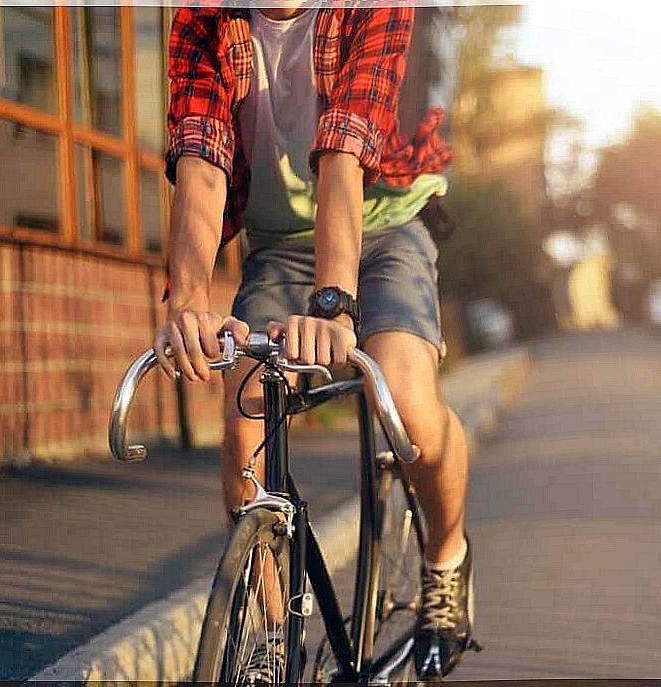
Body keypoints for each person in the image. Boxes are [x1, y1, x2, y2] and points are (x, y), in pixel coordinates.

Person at [154, 4, 475, 681]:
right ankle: (271, 640)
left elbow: (343, 154)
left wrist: (333, 305)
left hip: (385, 224)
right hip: (279, 246)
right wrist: (187, 299)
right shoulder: (204, 18)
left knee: (406, 395)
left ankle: (446, 559)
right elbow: (201, 163)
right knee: (245, 432)